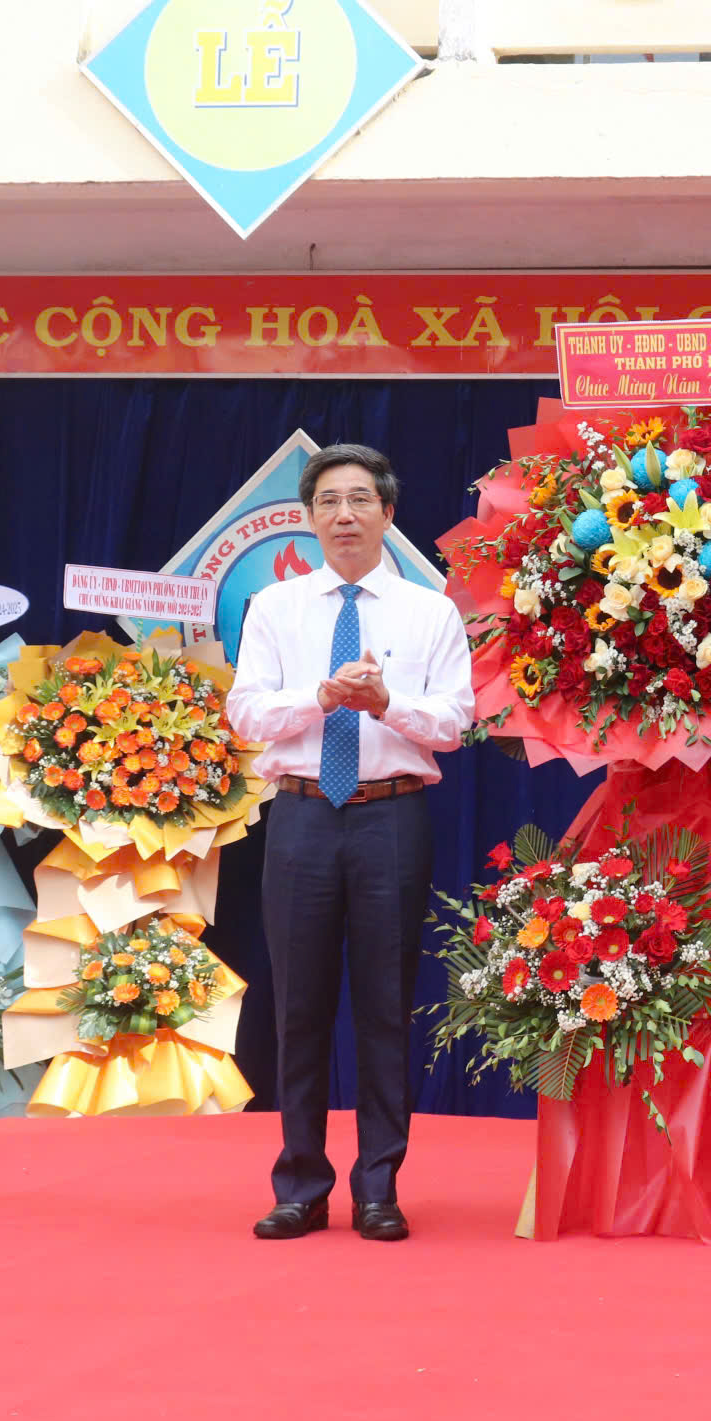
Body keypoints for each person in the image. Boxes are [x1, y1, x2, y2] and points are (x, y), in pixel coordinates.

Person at [225, 445, 474, 1242]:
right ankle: (299, 1184)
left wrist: (387, 701)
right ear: (309, 517)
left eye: (360, 500)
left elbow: (456, 722)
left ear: (388, 514)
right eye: (329, 501)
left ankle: (379, 1187)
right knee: (297, 1006)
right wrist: (321, 696)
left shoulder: (429, 608)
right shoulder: (275, 608)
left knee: (383, 1006)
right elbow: (248, 716)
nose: (344, 515)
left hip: (389, 818)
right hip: (300, 815)